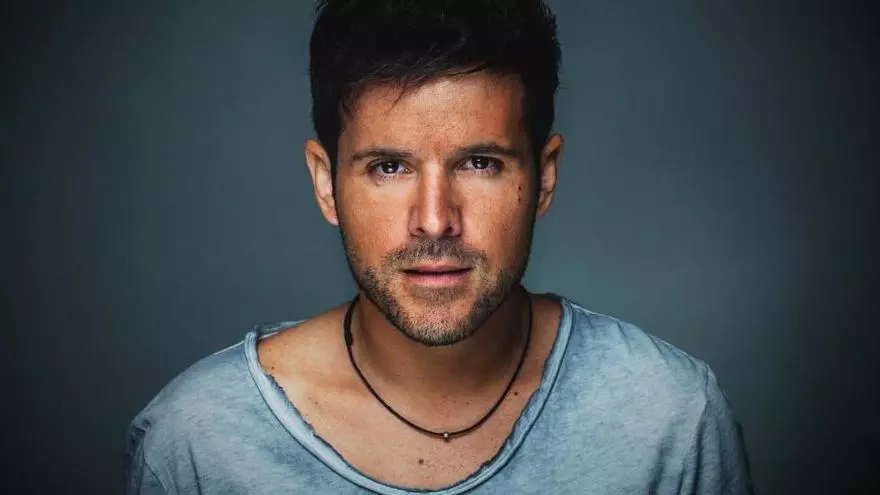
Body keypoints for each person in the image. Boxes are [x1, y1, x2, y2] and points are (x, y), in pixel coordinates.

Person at [124, 1, 754, 493]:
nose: (434, 221)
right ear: (325, 183)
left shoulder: (669, 419)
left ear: (544, 177)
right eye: (389, 167)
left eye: (479, 163)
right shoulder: (199, 443)